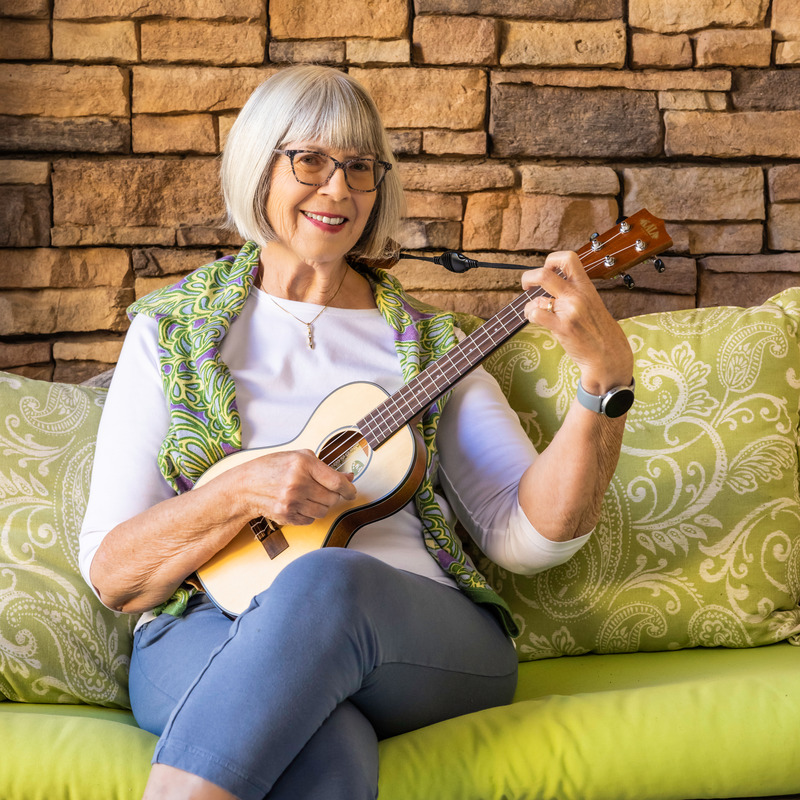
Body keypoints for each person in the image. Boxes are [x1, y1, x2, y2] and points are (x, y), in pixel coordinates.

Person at [79, 64, 634, 800]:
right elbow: (116, 575)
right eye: (309, 160)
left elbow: (529, 538)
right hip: (204, 625)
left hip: (414, 633)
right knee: (322, 737)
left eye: (359, 167)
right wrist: (242, 491)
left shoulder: (433, 346)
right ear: (258, 168)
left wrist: (603, 385)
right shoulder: (171, 332)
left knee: (325, 580)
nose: (338, 190)